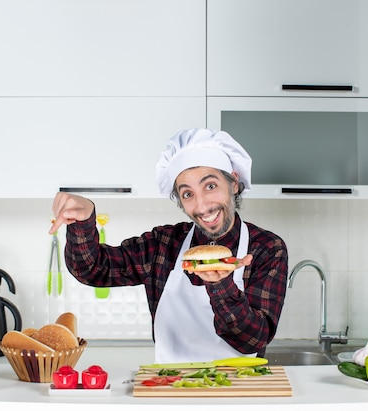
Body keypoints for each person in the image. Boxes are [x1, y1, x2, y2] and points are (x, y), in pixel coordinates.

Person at [50, 128, 288, 362]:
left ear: (234, 183)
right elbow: (93, 270)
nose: (202, 206)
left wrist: (222, 286)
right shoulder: (163, 244)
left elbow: (253, 340)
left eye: (210, 186)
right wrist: (84, 220)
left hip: (241, 391)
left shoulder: (266, 248)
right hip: (170, 389)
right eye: (187, 194)